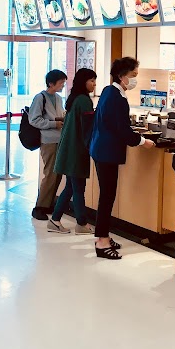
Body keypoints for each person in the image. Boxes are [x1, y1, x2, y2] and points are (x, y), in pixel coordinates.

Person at [90, 57, 155, 259]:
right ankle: (101, 241)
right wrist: (142, 141)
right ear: (122, 76)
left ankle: (104, 236)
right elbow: (122, 129)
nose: (135, 79)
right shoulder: (116, 97)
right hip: (106, 152)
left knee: (107, 195)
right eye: (133, 75)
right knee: (107, 196)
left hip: (102, 149)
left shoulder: (110, 91)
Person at [48, 68, 97, 235]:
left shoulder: (74, 98)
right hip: (77, 150)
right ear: (84, 82)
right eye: (91, 80)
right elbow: (87, 128)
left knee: (70, 186)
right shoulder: (84, 100)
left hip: (69, 148)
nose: (94, 84)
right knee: (78, 188)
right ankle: (81, 223)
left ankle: (55, 220)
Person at [29, 69, 68, 221]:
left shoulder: (58, 98)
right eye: (61, 83)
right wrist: (53, 124)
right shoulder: (40, 98)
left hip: (59, 139)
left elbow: (60, 114)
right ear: (51, 83)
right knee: (50, 174)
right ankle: (39, 207)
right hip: (48, 141)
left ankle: (48, 204)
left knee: (57, 174)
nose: (62, 85)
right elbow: (34, 120)